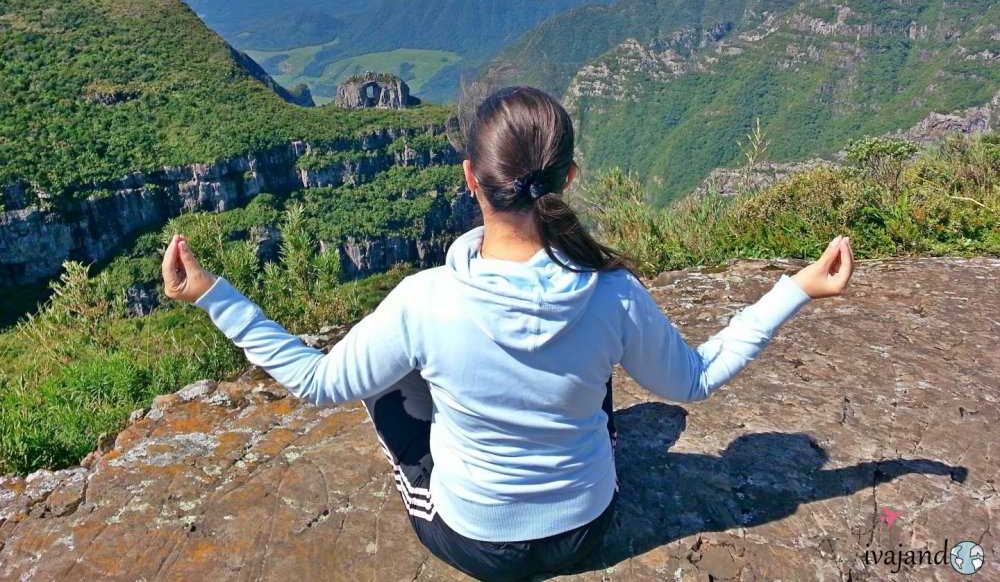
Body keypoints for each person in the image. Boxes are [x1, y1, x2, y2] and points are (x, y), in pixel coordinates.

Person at [161, 86, 854, 582]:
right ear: (569, 180)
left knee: (383, 382)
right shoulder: (612, 293)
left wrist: (213, 296)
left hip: (476, 545)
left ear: (471, 179)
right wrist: (795, 287)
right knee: (595, 368)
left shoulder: (422, 301)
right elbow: (695, 380)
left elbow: (316, 384)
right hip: (589, 529)